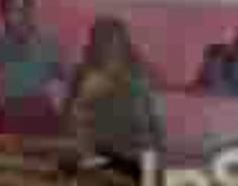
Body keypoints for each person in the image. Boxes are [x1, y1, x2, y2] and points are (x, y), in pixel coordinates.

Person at [0, 0, 66, 138]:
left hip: (43, 117)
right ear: (3, 14)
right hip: (9, 118)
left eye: (27, 8)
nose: (23, 15)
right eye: (15, 10)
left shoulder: (50, 42)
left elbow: (62, 78)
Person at [66, 17, 166, 158]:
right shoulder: (83, 75)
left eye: (117, 43)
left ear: (125, 46)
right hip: (99, 151)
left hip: (135, 150)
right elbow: (71, 122)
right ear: (96, 47)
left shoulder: (140, 74)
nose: (113, 49)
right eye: (107, 43)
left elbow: (154, 122)